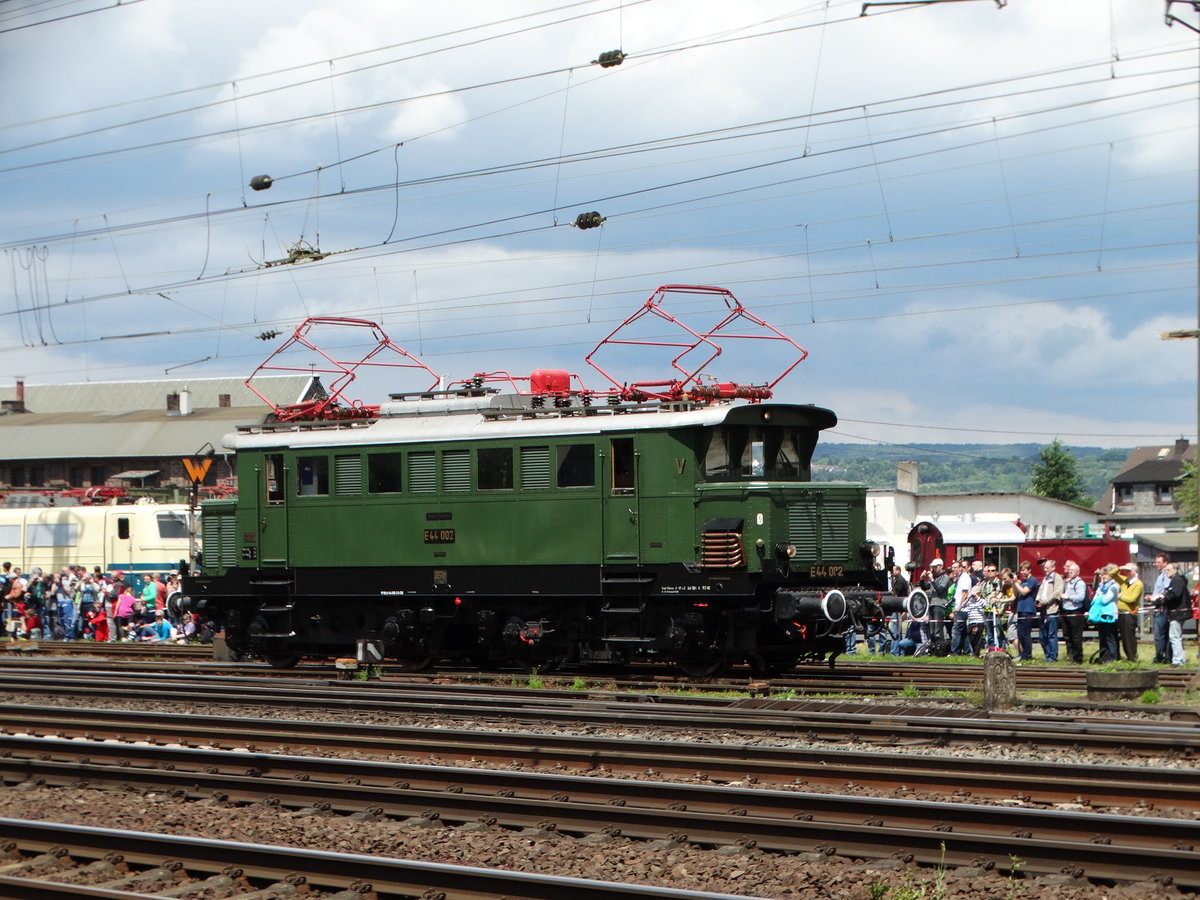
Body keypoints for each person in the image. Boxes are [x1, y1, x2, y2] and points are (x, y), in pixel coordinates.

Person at [1059, 561, 1088, 665]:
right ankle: (1070, 656)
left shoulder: (1079, 583)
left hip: (1075, 612)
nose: (1070, 572)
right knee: (1068, 635)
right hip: (1066, 611)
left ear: (1077, 572)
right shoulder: (1069, 582)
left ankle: (1078, 658)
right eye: (1069, 571)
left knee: (1076, 636)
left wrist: (1068, 597)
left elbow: (1080, 597)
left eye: (1072, 571)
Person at [1035, 558, 1064, 663]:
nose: (1045, 569)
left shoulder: (1057, 578)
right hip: (1042, 609)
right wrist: (1037, 600)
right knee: (1042, 635)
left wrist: (1046, 601)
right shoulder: (1045, 579)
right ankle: (1047, 655)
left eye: (1047, 567)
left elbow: (1057, 593)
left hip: (1052, 610)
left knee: (1051, 634)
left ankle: (1053, 657)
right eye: (1044, 567)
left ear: (1053, 568)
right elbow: (1041, 590)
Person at [1113, 562, 1143, 662]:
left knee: (1129, 636)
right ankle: (1128, 656)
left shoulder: (1138, 584)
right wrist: (1120, 567)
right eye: (1126, 571)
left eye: (1129, 571)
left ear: (1134, 572)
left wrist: (1121, 596)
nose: (1126, 572)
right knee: (1123, 636)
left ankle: (1132, 657)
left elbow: (1132, 599)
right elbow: (1112, 574)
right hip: (1121, 612)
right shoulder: (1125, 581)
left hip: (1130, 613)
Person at [1162, 563, 1190, 667]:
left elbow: (1175, 595)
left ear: (1175, 570)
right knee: (1177, 636)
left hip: (1178, 612)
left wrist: (1164, 596)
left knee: (1174, 636)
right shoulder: (1176, 580)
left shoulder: (1177, 580)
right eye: (1165, 570)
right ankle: (1180, 659)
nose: (1166, 572)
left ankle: (1178, 660)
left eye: (1168, 570)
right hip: (1177, 612)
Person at [1091, 565, 1120, 663]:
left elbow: (1105, 599)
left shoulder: (1114, 586)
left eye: (1105, 575)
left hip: (1110, 614)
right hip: (1101, 614)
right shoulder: (1101, 586)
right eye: (1102, 575)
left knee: (1110, 637)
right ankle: (1103, 656)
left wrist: (1099, 597)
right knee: (1102, 637)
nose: (1103, 577)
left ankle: (1113, 656)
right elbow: (1095, 598)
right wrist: (1099, 596)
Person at [1012, 561, 1039, 662]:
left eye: (1023, 570)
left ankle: (1028, 655)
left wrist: (1016, 583)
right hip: (1020, 609)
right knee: (1020, 634)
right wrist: (1015, 583)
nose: (1022, 572)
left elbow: (1024, 592)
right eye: (1021, 570)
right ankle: (1023, 653)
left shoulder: (1032, 580)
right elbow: (1016, 592)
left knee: (1026, 634)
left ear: (1029, 570)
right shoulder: (1022, 581)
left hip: (1028, 610)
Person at [1148, 554, 1172, 664]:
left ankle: (1160, 656)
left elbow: (1166, 589)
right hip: (1159, 605)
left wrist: (1155, 597)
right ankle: (1166, 656)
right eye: (1156, 562)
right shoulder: (1160, 575)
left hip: (1162, 607)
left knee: (1159, 634)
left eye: (1158, 562)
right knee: (1163, 633)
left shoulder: (1165, 575)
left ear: (1165, 563)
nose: (1156, 564)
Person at [926, 558, 950, 642]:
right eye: (933, 567)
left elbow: (940, 590)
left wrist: (932, 580)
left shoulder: (945, 577)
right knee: (931, 629)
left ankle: (940, 646)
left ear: (941, 566)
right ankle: (933, 646)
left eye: (935, 567)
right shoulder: (935, 577)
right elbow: (925, 587)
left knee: (938, 629)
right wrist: (922, 579)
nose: (934, 569)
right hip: (932, 604)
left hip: (939, 605)